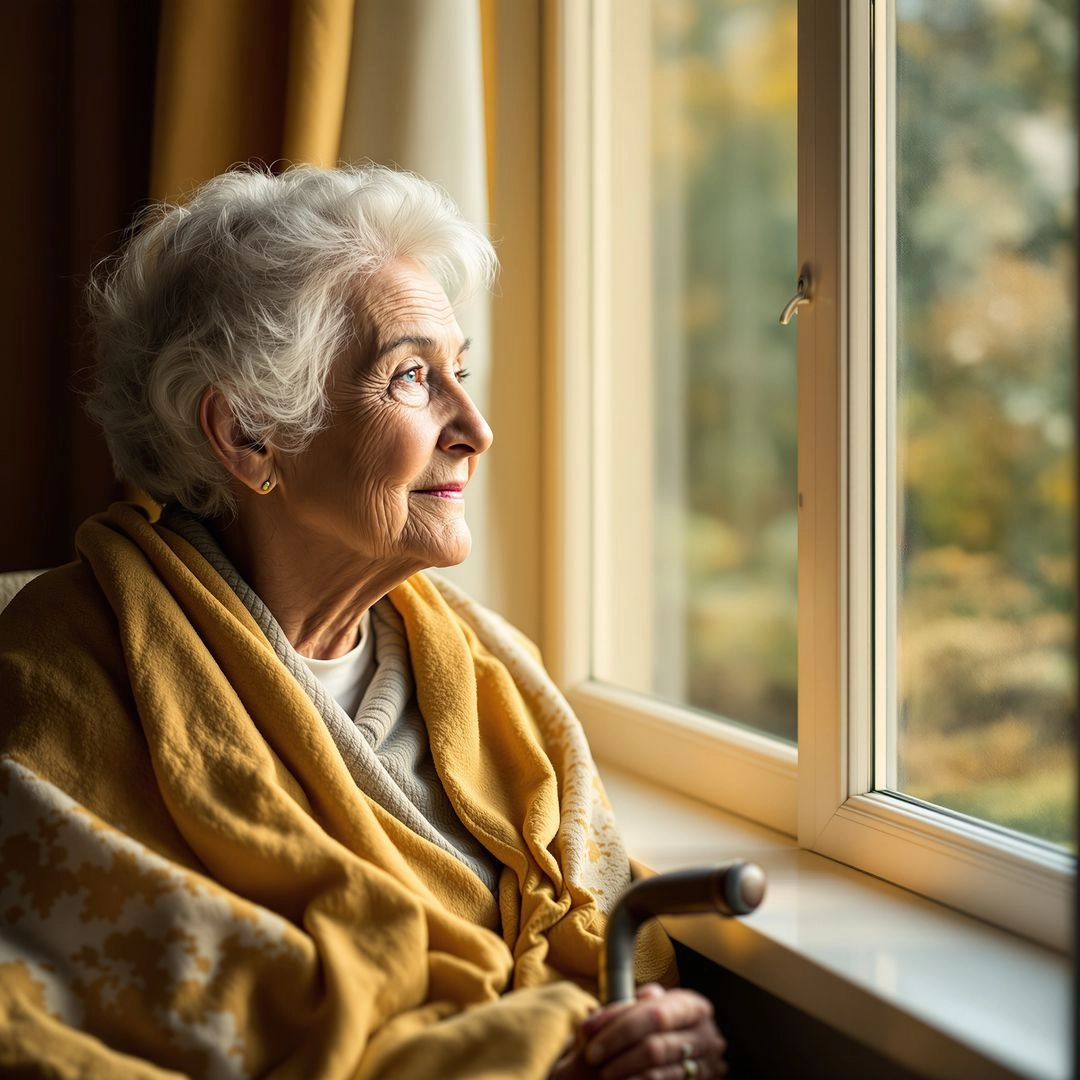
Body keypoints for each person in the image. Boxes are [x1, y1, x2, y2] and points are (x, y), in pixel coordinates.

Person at [0, 165, 727, 1079]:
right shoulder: (61, 668)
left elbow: (602, 949)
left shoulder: (489, 666)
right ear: (249, 435)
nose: (475, 427)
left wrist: (648, 1035)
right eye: (413, 377)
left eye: (460, 371)